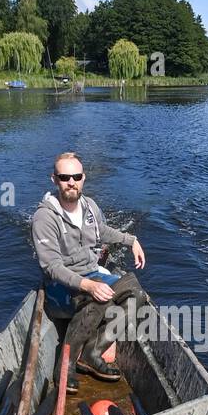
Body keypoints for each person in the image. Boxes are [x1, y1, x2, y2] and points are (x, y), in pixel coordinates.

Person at [31, 152, 148, 382]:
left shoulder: (89, 206)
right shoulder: (44, 217)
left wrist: (130, 240)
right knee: (96, 298)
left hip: (91, 273)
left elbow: (101, 232)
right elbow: (51, 266)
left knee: (136, 293)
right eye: (64, 177)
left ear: (83, 178)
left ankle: (91, 352)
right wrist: (88, 286)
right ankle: (65, 366)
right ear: (54, 180)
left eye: (76, 176)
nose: (71, 182)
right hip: (59, 287)